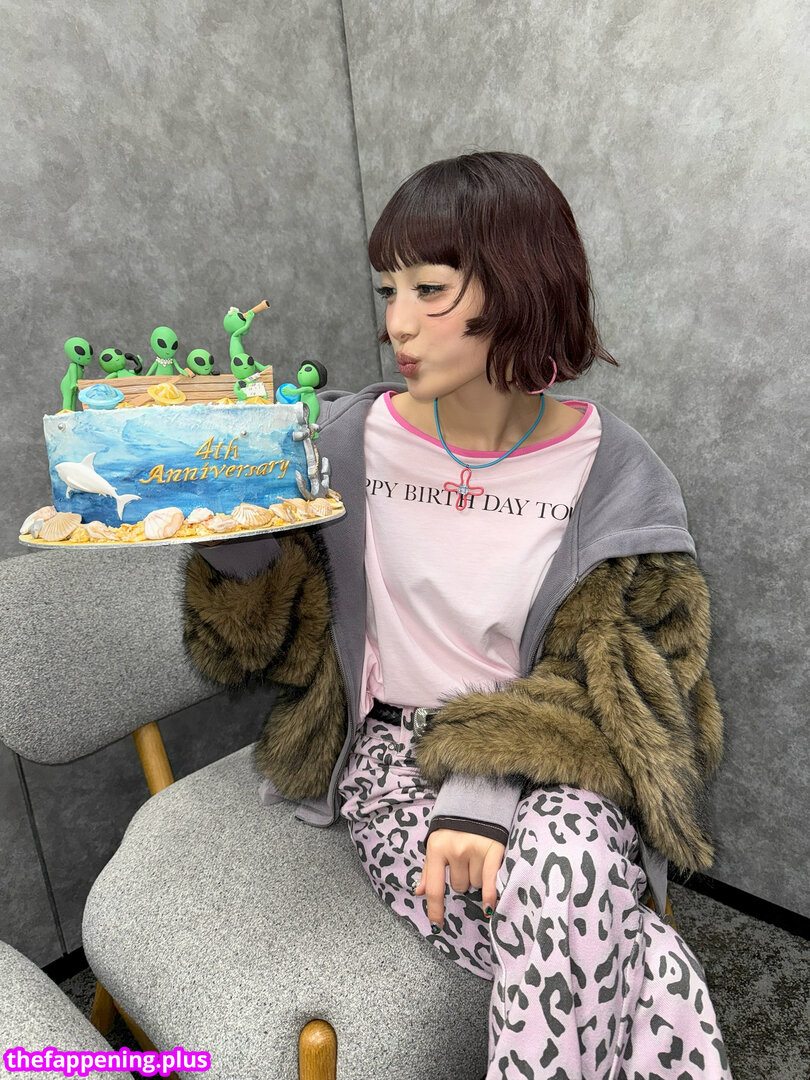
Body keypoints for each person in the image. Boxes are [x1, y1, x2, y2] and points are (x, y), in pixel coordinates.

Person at [183, 151, 732, 1079]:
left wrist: (484, 786)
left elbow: (648, 687)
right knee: (602, 920)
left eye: (429, 289)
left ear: (520, 284)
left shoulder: (617, 472)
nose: (396, 323)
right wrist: (237, 537)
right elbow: (258, 650)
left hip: (561, 759)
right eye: (388, 290)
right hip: (393, 764)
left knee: (567, 874)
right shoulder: (341, 443)